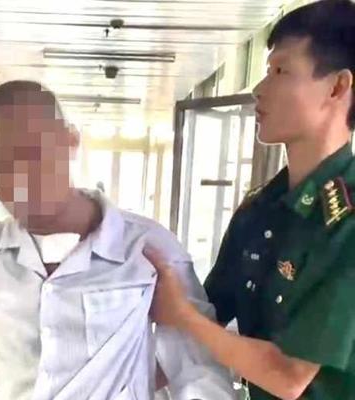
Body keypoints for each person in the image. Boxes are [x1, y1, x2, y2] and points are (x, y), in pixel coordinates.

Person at [0, 80, 235, 400]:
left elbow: (198, 370)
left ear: (71, 141)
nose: (19, 178)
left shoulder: (147, 251)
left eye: (33, 154)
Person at [145, 1, 355, 399]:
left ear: (337, 87)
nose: (260, 89)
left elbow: (288, 377)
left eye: (281, 71)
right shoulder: (259, 211)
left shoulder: (345, 224)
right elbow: (210, 315)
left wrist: (183, 315)